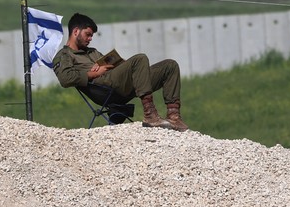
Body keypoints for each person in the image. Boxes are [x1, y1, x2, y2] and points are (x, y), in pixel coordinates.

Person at [52, 13, 188, 132]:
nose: (90, 39)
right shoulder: (64, 55)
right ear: (76, 31)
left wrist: (117, 63)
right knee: (140, 58)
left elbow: (115, 65)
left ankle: (174, 116)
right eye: (87, 35)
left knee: (170, 66)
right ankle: (150, 114)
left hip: (120, 83)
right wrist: (94, 73)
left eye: (91, 36)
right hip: (104, 90)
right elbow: (65, 79)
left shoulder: (92, 52)